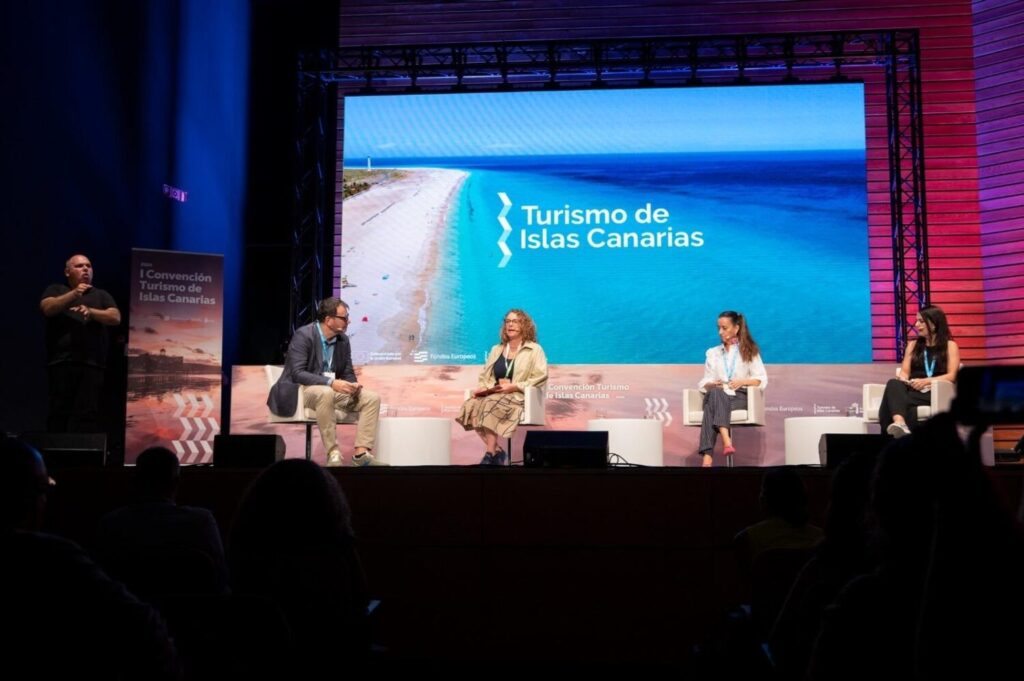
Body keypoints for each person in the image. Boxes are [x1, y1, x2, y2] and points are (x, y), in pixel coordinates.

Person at [0, 435, 180, 678]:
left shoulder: (110, 525)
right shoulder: (56, 559)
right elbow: (143, 626)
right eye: (45, 489)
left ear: (135, 481)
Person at [229, 459, 370, 676]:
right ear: (329, 501)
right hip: (331, 652)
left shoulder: (246, 542)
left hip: (253, 655)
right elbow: (360, 598)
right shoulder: (336, 542)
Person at [94, 445, 229, 597]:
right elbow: (220, 581)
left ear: (135, 481)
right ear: (176, 483)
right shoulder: (202, 522)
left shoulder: (111, 524)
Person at [267, 297, 380, 466]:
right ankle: (333, 453)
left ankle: (361, 454)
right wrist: (331, 383)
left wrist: (353, 385)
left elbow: (347, 371)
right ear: (328, 320)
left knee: (371, 398)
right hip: (301, 390)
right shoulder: (304, 335)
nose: (348, 321)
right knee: (325, 392)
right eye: (344, 318)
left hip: (330, 390)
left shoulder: (343, 340)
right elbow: (297, 373)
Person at [39, 254, 121, 432]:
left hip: (93, 364)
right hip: (62, 362)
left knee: (87, 413)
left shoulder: (101, 294)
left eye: (88, 266)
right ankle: (55, 448)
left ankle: (84, 449)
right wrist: (74, 293)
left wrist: (91, 312)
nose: (85, 269)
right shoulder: (56, 289)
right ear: (67, 272)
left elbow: (115, 317)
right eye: (79, 266)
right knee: (59, 411)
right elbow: (47, 308)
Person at [456, 308, 548, 465]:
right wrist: (484, 388)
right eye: (508, 321)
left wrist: (515, 386)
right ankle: (498, 450)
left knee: (489, 403)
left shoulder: (534, 349)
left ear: (524, 325)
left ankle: (490, 453)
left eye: (515, 321)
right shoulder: (496, 349)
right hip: (495, 394)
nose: (510, 325)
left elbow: (540, 376)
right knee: (470, 405)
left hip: (518, 397)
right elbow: (485, 376)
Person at [877, 305, 959, 438]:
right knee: (893, 383)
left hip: (935, 392)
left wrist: (926, 381)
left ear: (933, 324)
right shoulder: (912, 345)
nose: (916, 325)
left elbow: (952, 376)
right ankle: (900, 422)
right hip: (914, 389)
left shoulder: (950, 346)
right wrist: (905, 380)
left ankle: (891, 440)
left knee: (891, 402)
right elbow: (904, 372)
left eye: (921, 321)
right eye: (916, 321)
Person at [697, 310, 767, 467]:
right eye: (718, 328)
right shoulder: (713, 353)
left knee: (711, 405)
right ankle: (726, 441)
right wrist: (712, 383)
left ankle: (707, 457)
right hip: (718, 393)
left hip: (739, 396)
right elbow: (705, 380)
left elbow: (761, 379)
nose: (720, 332)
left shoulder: (749, 351)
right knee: (715, 394)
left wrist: (742, 381)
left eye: (724, 328)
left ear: (736, 328)